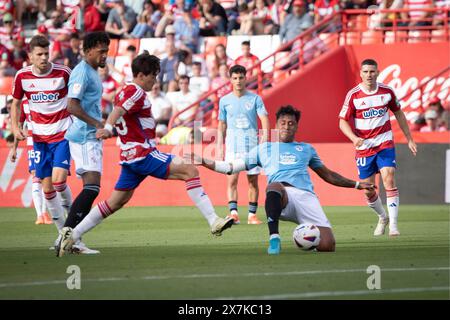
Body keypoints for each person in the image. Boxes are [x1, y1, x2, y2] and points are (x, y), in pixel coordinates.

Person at [57, 53, 234, 256]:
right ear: (141, 75)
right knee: (190, 170)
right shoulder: (136, 92)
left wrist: (111, 128)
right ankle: (214, 220)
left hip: (129, 157)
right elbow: (118, 112)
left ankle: (71, 235)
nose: (155, 80)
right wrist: (107, 127)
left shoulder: (125, 90)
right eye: (153, 76)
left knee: (115, 202)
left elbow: (120, 110)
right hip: (143, 153)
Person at [192, 105, 375, 254]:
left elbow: (328, 175)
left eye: (291, 123)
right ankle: (274, 239)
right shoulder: (264, 149)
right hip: (281, 197)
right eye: (283, 123)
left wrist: (357, 184)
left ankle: (306, 238)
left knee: (328, 246)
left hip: (305, 198)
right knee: (274, 185)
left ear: (296, 126)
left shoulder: (306, 149)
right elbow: (230, 167)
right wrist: (204, 161)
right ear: (276, 125)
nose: (287, 126)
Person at [339, 58, 417, 237]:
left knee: (388, 177)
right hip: (364, 147)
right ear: (361, 74)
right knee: (368, 190)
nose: (369, 75)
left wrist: (409, 138)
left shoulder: (387, 91)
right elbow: (342, 121)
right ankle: (383, 217)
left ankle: (394, 226)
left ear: (378, 72)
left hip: (384, 143)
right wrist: (353, 138)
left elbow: (398, 113)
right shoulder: (354, 95)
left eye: (372, 71)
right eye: (366, 72)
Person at [10, 35, 73, 248]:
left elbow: (75, 99)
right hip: (38, 140)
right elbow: (16, 104)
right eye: (39, 54)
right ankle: (64, 236)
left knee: (59, 181)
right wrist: (15, 127)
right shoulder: (22, 76)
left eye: (47, 53)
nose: (44, 58)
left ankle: (74, 217)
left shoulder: (63, 73)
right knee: (47, 189)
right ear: (30, 56)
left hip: (62, 135)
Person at [56, 31, 111, 257]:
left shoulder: (92, 72)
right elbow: (72, 106)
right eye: (101, 51)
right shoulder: (81, 73)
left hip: (90, 136)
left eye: (106, 51)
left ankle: (68, 236)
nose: (105, 55)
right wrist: (97, 123)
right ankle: (69, 236)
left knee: (91, 189)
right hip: (84, 136)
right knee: (91, 188)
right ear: (88, 51)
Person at [217, 64, 270, 225]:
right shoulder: (224, 100)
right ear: (230, 80)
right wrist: (220, 145)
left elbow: (264, 119)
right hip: (233, 147)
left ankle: (252, 215)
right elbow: (221, 124)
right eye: (235, 78)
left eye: (241, 78)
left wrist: (265, 139)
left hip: (252, 147)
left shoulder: (255, 99)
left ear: (246, 78)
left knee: (252, 181)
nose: (238, 81)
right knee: (232, 181)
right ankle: (233, 214)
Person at [9, 99, 51, 225]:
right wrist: (14, 148)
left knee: (48, 178)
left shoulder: (45, 97)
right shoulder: (24, 104)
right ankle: (40, 215)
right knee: (36, 176)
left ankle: (45, 213)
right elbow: (19, 127)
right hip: (33, 142)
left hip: (49, 140)